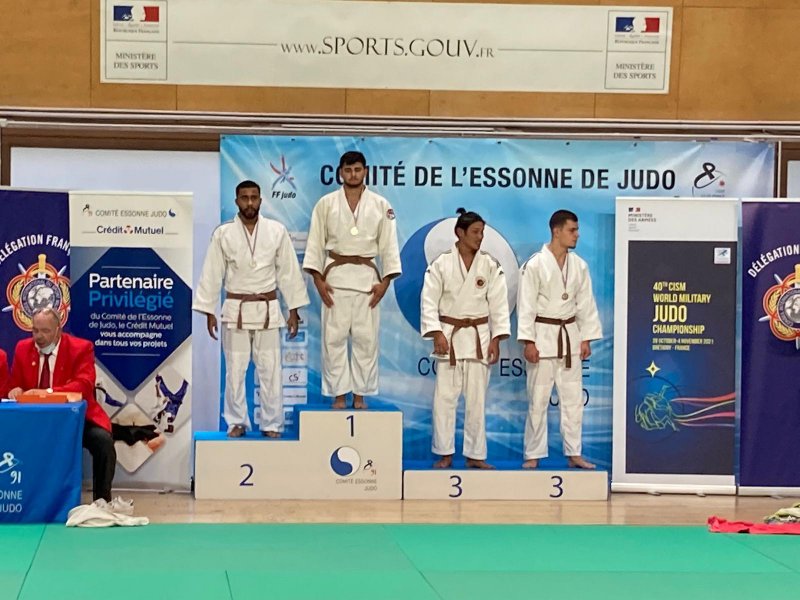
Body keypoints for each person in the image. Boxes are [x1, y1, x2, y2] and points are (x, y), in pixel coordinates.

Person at [193, 180, 309, 438]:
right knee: (235, 370)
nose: (249, 202)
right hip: (236, 310)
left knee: (270, 370)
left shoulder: (276, 231)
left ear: (260, 200)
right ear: (236, 201)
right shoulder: (223, 233)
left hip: (268, 309)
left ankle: (272, 424)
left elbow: (288, 271)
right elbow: (212, 273)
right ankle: (237, 421)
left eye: (253, 197)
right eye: (244, 198)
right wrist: (209, 310)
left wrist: (293, 310)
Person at [303, 151, 401, 410]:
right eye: (348, 170)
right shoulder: (326, 204)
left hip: (368, 281)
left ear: (365, 171)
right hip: (334, 279)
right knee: (333, 340)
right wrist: (318, 280)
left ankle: (360, 394)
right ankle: (339, 394)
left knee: (366, 340)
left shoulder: (381, 205)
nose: (353, 174)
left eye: (357, 169)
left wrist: (385, 283)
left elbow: (389, 246)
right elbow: (315, 243)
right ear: (341, 172)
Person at [421, 208, 510, 469]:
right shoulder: (441, 264)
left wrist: (496, 339)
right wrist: (436, 332)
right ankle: (444, 453)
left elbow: (499, 305)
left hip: (478, 338)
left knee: (476, 402)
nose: (480, 237)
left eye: (482, 232)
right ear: (459, 232)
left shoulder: (490, 265)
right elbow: (429, 300)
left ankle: (475, 455)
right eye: (475, 232)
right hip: (449, 337)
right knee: (444, 400)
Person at [517, 209, 603, 469]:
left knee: (573, 400)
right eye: (572, 230)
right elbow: (526, 305)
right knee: (538, 400)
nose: (577, 235)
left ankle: (574, 453)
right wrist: (528, 341)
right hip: (542, 337)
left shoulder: (580, 266)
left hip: (570, 338)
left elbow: (585, 304)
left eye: (577, 230)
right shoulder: (534, 265)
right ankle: (533, 454)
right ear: (557, 231)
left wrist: (586, 338)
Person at [7, 307, 116, 501]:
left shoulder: (81, 348)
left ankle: (102, 502)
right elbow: (14, 383)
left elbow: (84, 384)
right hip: (34, 422)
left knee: (103, 442)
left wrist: (48, 393)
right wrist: (14, 390)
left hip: (74, 421)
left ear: (58, 330)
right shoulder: (23, 348)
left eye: (45, 331)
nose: (38, 337)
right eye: (35, 330)